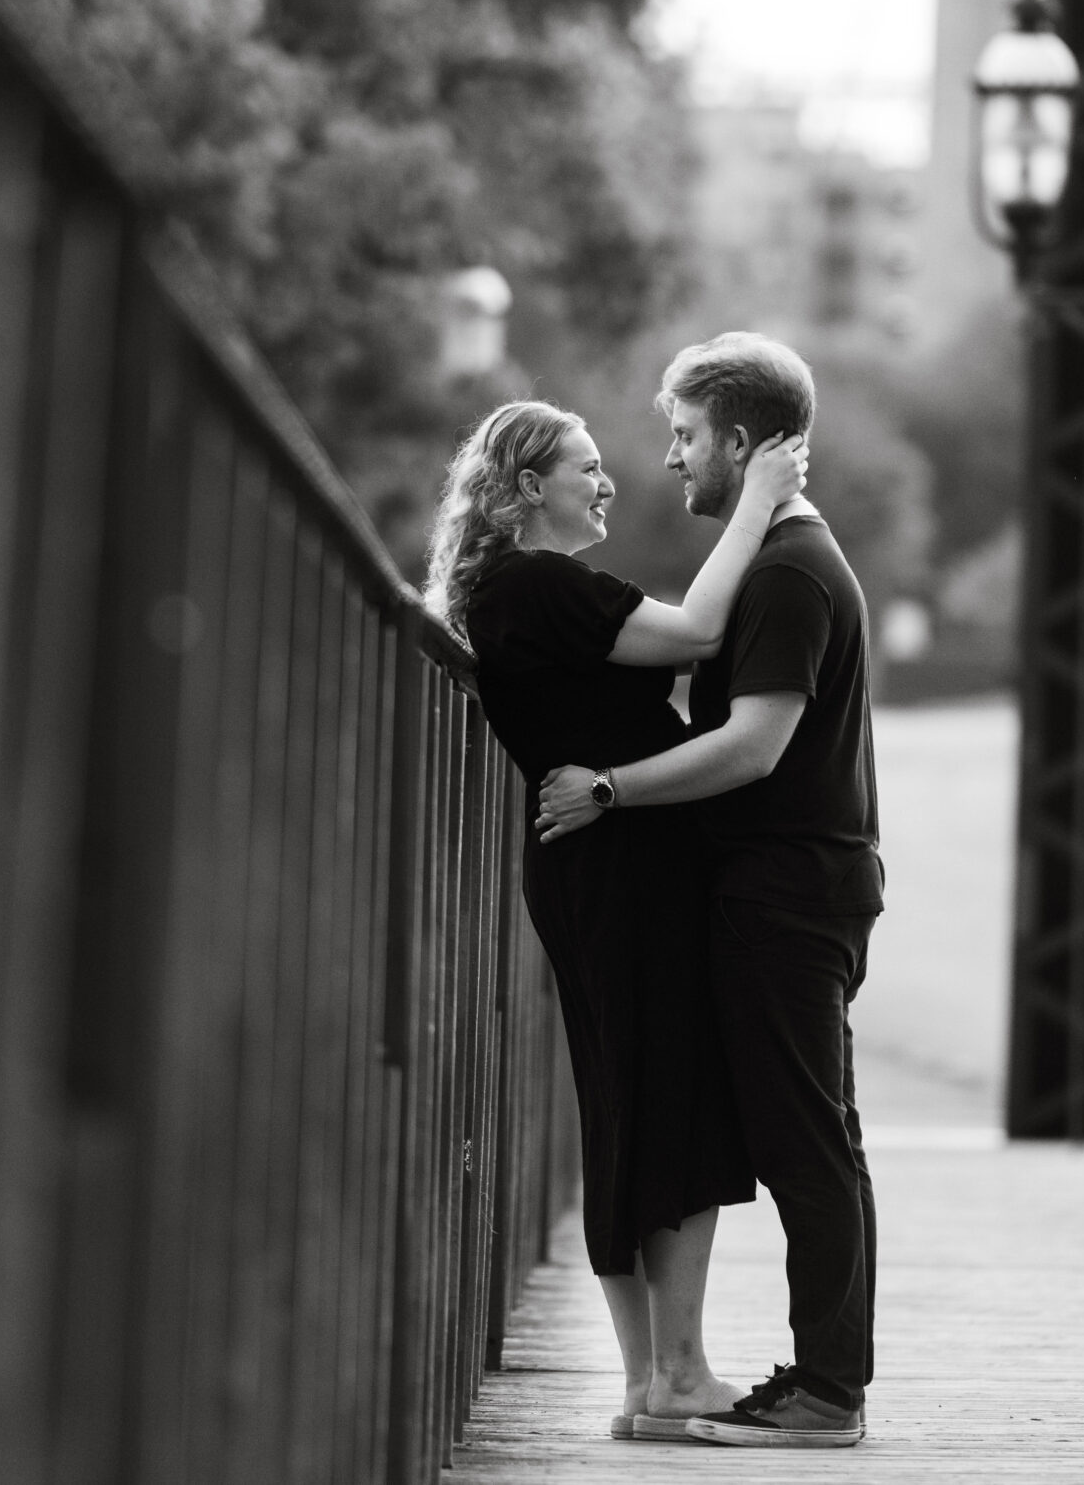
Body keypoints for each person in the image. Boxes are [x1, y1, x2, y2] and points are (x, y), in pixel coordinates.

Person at [422, 398, 809, 1442]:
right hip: (631, 871)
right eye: (583, 468)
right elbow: (700, 632)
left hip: (594, 870)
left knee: (626, 1106)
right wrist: (760, 504)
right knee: (672, 1101)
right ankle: (675, 1377)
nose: (606, 483)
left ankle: (650, 1382)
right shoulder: (540, 581)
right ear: (522, 489)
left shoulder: (512, 591)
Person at [540, 332, 883, 1450]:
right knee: (809, 1133)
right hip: (794, 890)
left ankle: (829, 1392)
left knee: (806, 1141)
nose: (674, 459)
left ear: (740, 441)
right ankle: (824, 1376)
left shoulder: (786, 573)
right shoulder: (779, 553)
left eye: (687, 436)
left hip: (787, 895)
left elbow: (752, 748)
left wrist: (609, 790)